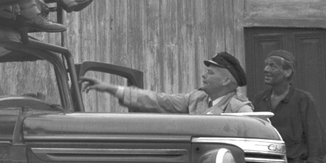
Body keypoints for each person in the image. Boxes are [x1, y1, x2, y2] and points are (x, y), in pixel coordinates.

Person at [83, 52, 253, 114]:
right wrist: (110, 88)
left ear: (225, 80)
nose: (203, 75)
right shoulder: (196, 99)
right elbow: (158, 100)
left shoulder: (240, 109)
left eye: (210, 73)